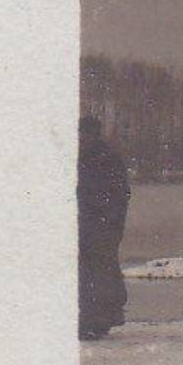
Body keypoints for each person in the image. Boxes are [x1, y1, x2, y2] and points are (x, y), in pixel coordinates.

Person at [77, 116, 130, 340]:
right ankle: (102, 319)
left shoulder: (92, 159)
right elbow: (122, 193)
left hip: (96, 223)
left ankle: (93, 320)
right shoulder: (108, 158)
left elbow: (118, 193)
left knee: (93, 274)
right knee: (102, 273)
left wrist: (108, 217)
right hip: (101, 223)